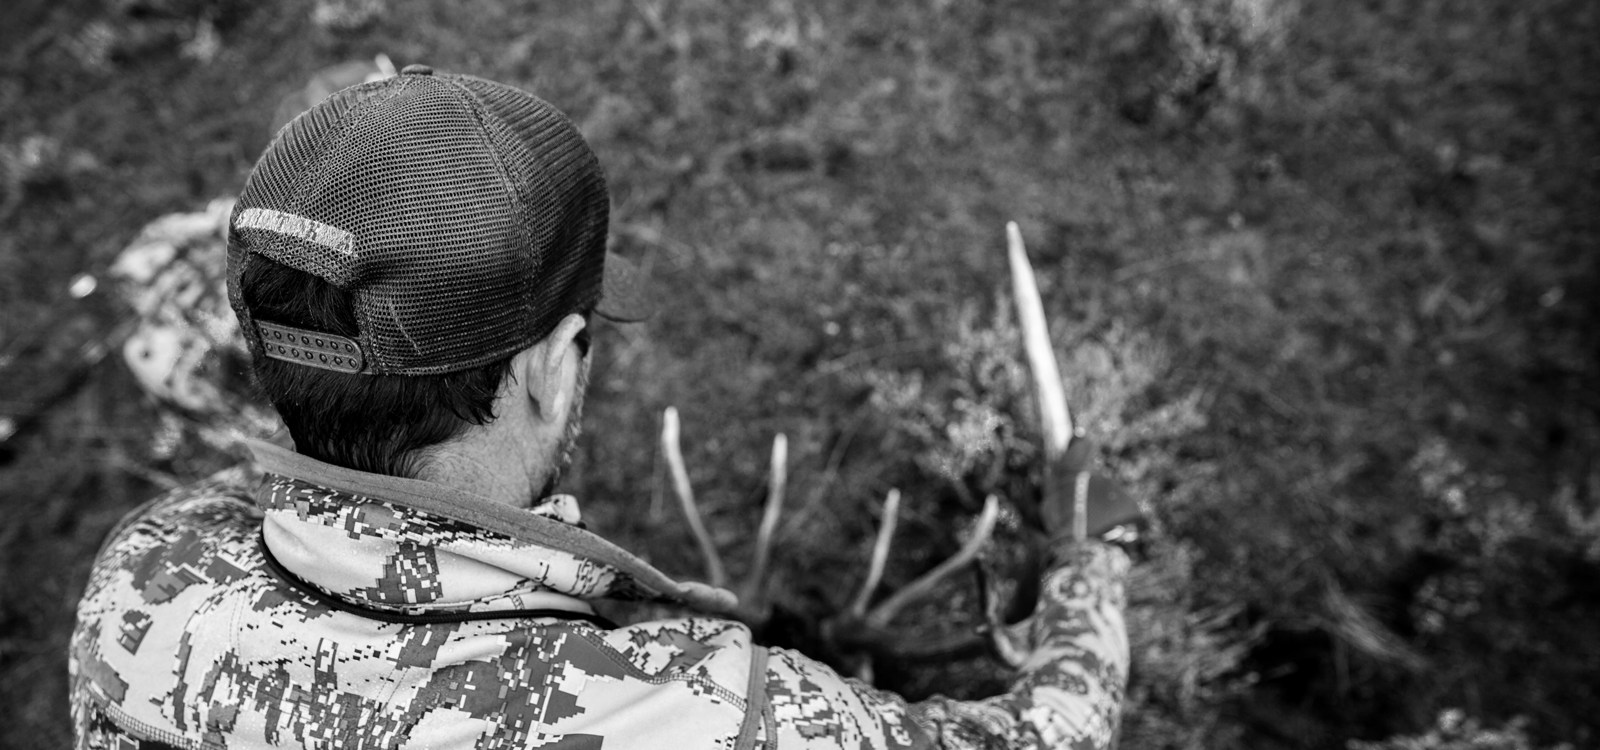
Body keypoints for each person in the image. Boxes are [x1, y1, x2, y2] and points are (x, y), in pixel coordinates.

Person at [69, 65, 1131, 749]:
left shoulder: (149, 571)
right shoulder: (705, 718)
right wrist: (1092, 569)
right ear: (549, 366)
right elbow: (1049, 734)